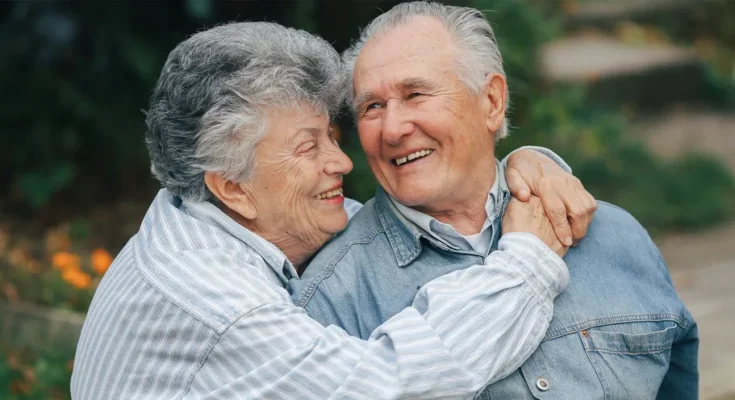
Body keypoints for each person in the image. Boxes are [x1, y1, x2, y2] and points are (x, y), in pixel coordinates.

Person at [70, 21, 596, 399]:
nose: (342, 161)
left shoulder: (220, 211)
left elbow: (428, 203)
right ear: (232, 186)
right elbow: (389, 382)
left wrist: (522, 166)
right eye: (308, 147)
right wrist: (527, 262)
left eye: (332, 136)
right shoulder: (215, 300)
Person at [291, 2, 699, 399]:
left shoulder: (615, 237)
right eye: (372, 107)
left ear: (492, 101)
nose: (393, 129)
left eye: (416, 94)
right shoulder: (334, 299)